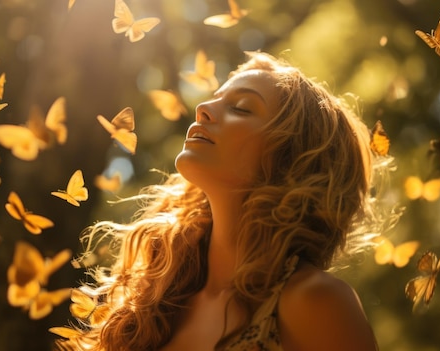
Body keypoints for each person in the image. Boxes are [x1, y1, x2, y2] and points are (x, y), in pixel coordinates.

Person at [61, 51, 390, 351]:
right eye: (215, 98)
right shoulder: (155, 299)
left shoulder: (315, 302)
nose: (202, 109)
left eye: (242, 108)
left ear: (292, 160)